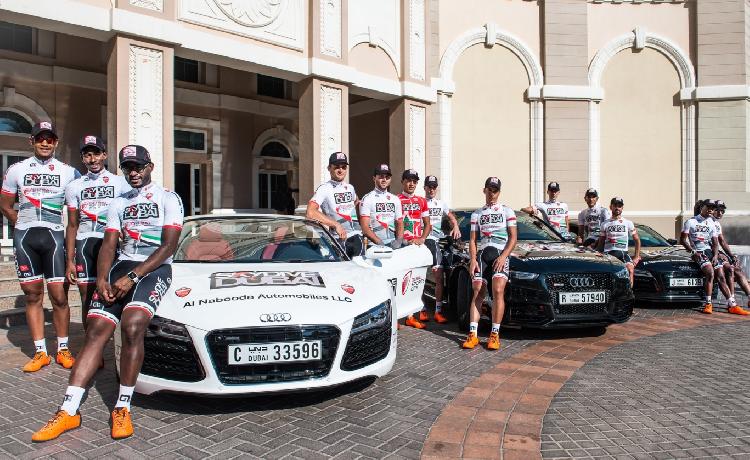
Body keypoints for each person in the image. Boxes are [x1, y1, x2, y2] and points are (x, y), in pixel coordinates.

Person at [32, 145, 183, 442]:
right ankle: (68, 410)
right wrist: (102, 278)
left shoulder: (168, 197)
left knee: (132, 326)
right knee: (95, 331)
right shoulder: (118, 202)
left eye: (138, 166)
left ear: (150, 167)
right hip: (121, 266)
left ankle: (122, 407)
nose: (133, 173)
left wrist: (133, 277)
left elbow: (168, 246)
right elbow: (109, 244)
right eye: (127, 168)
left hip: (154, 268)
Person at [0, 121, 80, 372]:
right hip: (26, 239)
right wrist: (22, 224)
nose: (45, 143)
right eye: (40, 138)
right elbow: (5, 205)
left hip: (55, 238)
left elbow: (79, 209)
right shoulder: (16, 169)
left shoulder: (69, 172)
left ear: (56, 142)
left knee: (59, 297)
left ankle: (63, 349)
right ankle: (40, 353)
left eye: (50, 139)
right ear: (32, 141)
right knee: (33, 296)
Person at [65, 135, 131, 329]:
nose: (92, 159)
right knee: (86, 296)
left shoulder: (120, 182)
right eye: (87, 155)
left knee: (113, 292)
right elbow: (72, 225)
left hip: (110, 243)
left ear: (104, 155)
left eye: (96, 154)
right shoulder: (74, 186)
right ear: (82, 158)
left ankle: (112, 338)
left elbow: (129, 213)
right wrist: (69, 261)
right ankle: (90, 340)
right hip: (84, 244)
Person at [463, 177, 517, 350]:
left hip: (500, 254)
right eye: (489, 190)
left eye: (495, 190)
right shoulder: (477, 214)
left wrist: (504, 257)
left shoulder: (507, 211)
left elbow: (513, 238)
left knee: (498, 290)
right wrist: (472, 259)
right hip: (483, 255)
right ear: (484, 190)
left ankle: (494, 334)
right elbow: (473, 240)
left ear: (499, 192)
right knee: (477, 290)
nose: (492, 193)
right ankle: (473, 334)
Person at [306, 152, 363, 257]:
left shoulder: (350, 187)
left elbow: (357, 202)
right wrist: (335, 224)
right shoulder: (324, 188)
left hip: (357, 238)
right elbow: (310, 212)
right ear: (329, 168)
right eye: (337, 167)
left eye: (344, 167)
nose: (340, 170)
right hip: (338, 240)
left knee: (360, 267)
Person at [423, 175, 461, 324]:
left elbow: (451, 216)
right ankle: (421, 309)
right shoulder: (420, 202)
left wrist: (456, 226)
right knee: (421, 277)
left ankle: (438, 311)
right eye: (429, 187)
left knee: (439, 277)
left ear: (436, 189)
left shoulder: (441, 203)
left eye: (434, 187)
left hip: (437, 241)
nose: (431, 190)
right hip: (425, 240)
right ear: (425, 188)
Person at [398, 169, 432, 329]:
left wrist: (422, 238)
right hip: (402, 245)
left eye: (414, 181)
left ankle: (410, 316)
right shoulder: (396, 199)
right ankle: (397, 316)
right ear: (403, 182)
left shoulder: (421, 201)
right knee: (400, 280)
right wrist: (401, 240)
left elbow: (427, 224)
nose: (411, 184)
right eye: (408, 180)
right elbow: (393, 223)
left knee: (415, 281)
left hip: (417, 245)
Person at [709, 199, 749, 314]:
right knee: (730, 269)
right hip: (710, 254)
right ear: (712, 210)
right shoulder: (707, 222)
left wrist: (731, 255)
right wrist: (718, 254)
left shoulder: (716, 223)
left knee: (737, 270)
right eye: (718, 210)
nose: (720, 213)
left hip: (718, 253)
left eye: (722, 211)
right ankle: (731, 303)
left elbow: (722, 241)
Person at [680, 199, 719, 314]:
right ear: (702, 207)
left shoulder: (712, 223)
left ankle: (732, 303)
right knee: (710, 272)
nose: (711, 210)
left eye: (713, 208)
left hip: (709, 252)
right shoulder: (691, 222)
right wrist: (693, 252)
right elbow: (682, 240)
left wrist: (716, 255)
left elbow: (715, 243)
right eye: (708, 207)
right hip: (698, 252)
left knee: (725, 271)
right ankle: (708, 304)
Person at [596, 197, 641, 286]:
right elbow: (601, 242)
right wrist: (598, 253)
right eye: (615, 205)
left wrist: (636, 256)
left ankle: (629, 292)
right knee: (608, 275)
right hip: (609, 254)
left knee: (630, 270)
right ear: (611, 207)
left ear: (622, 208)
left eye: (619, 206)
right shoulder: (605, 224)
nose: (617, 208)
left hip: (623, 253)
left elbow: (637, 240)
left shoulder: (628, 223)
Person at [358, 163, 404, 247]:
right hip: (374, 245)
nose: (384, 180)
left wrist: (399, 241)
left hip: (393, 244)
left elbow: (400, 223)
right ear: (374, 178)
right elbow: (365, 227)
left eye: (387, 177)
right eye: (381, 177)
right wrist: (379, 242)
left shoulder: (395, 199)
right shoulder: (367, 198)